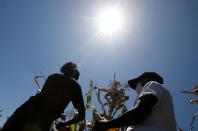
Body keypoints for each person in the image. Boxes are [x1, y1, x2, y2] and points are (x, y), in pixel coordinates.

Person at [1, 62, 85, 131]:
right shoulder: (75, 86)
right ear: (74, 72)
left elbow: (45, 98)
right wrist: (64, 124)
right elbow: (82, 116)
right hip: (41, 123)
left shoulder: (52, 77)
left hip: (23, 112)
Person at [93, 72, 177, 131]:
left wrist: (107, 125)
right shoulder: (162, 97)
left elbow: (140, 112)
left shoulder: (152, 84)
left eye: (139, 82)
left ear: (146, 80)